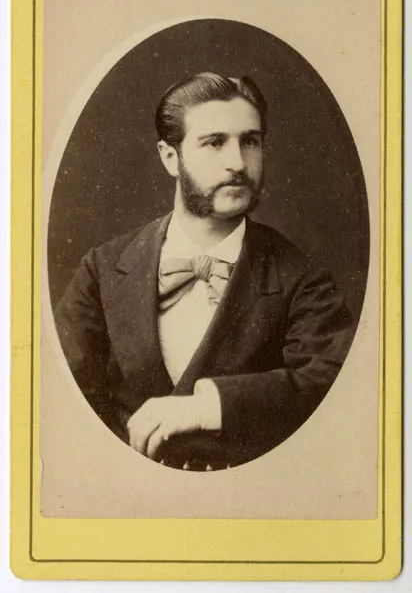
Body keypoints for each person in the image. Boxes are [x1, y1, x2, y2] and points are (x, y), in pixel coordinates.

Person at [54, 72, 352, 471]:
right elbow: (53, 392)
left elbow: (334, 384)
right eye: (214, 142)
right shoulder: (102, 269)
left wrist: (207, 406)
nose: (238, 163)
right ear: (170, 157)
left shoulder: (302, 277)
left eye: (250, 141)